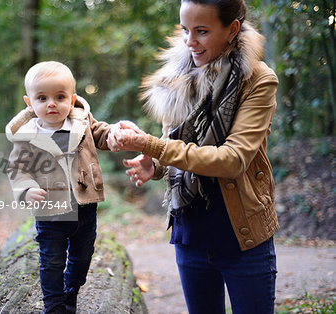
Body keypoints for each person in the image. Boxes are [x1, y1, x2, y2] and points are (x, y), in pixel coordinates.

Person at [107, 0, 279, 313]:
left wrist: (154, 148)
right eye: (185, 29)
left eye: (201, 31)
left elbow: (232, 159)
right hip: (190, 234)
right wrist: (153, 163)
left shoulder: (258, 81)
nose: (189, 41)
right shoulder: (178, 77)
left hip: (243, 238)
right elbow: (173, 145)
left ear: (232, 30)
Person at [6, 61, 113, 314]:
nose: (51, 103)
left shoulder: (81, 121)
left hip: (85, 207)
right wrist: (26, 189)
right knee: (51, 261)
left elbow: (101, 133)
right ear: (29, 103)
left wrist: (116, 134)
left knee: (82, 257)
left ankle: (71, 291)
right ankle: (53, 306)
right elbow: (17, 168)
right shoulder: (28, 135)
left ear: (72, 99)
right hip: (49, 211)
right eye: (42, 98)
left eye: (60, 97)